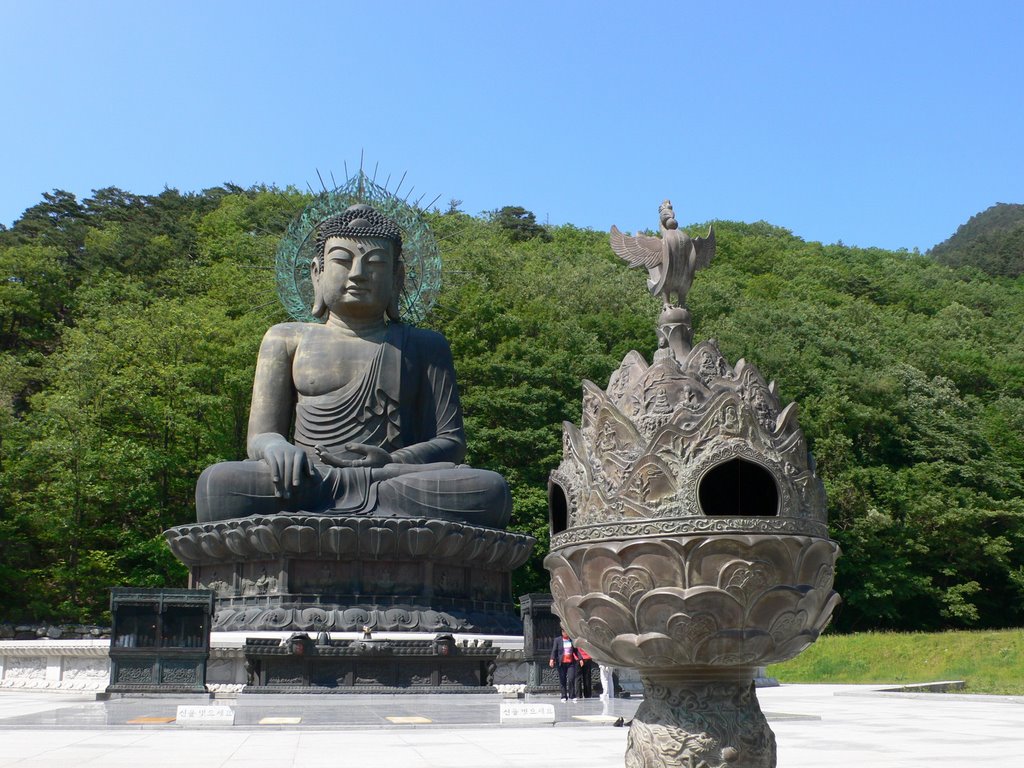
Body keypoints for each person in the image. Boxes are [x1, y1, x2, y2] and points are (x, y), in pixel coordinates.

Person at [195, 204, 512, 528]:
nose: (358, 273)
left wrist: (392, 460)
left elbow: (451, 443)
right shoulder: (286, 338)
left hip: (391, 477)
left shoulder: (425, 345)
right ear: (317, 273)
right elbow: (261, 435)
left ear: (396, 277)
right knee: (218, 485)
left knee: (489, 489)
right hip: (307, 478)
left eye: (374, 263)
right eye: (342, 260)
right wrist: (276, 447)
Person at [549, 628, 580, 702]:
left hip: (570, 663)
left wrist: (580, 659)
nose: (567, 633)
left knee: (571, 678)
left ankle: (572, 695)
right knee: (562, 679)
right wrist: (552, 659)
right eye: (565, 632)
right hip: (561, 663)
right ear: (562, 632)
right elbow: (554, 650)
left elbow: (576, 651)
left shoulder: (571, 640)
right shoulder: (558, 640)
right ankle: (563, 696)